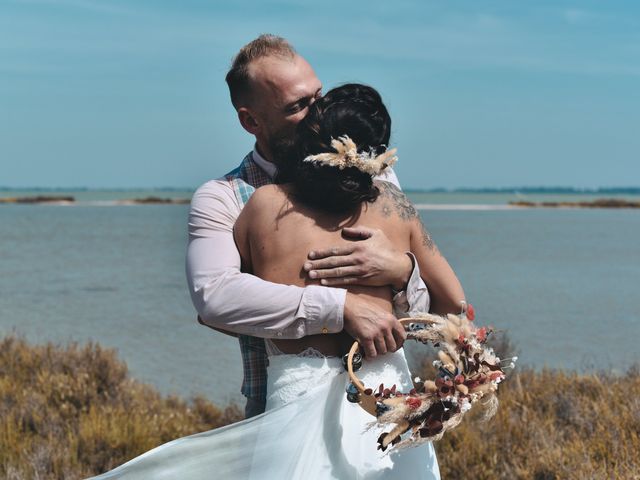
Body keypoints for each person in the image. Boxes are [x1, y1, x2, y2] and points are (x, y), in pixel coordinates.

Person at [90, 83, 464, 480]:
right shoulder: (393, 205)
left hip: (294, 408)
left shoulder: (264, 207)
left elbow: (218, 310)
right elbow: (455, 307)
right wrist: (399, 277)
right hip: (389, 411)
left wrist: (397, 272)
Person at [186, 34, 439, 419]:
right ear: (251, 120)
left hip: (386, 407)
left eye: (318, 96)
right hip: (283, 412)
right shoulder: (223, 198)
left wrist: (402, 272)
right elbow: (216, 297)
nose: (320, 113)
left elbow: (435, 308)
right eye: (299, 106)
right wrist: (340, 308)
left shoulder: (379, 177)